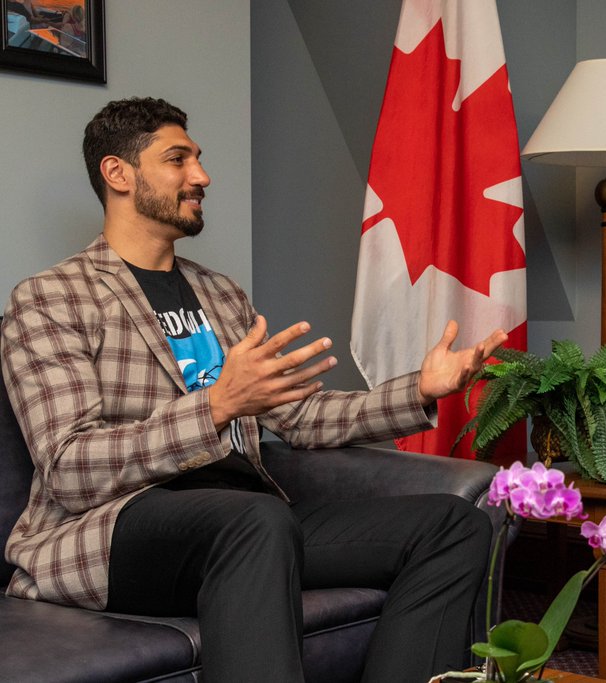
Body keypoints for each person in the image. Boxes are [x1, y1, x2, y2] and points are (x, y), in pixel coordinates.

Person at [1, 97, 506, 683]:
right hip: (114, 530)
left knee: (454, 524)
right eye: (178, 160)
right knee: (253, 519)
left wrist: (418, 389)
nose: (201, 176)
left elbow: (302, 417)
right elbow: (68, 465)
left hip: (248, 523)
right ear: (118, 174)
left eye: (199, 158)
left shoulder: (220, 295)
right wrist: (217, 405)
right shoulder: (51, 297)